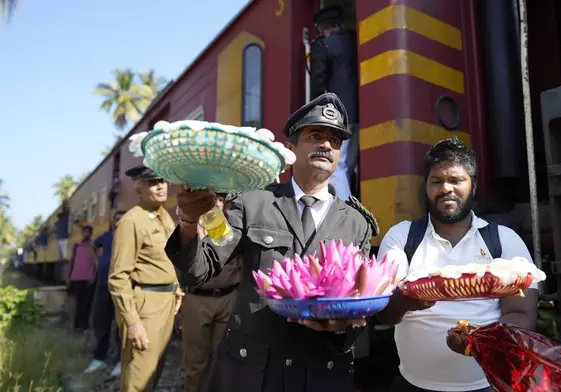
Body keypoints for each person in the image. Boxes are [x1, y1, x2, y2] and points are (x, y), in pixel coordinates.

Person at [165, 93, 378, 392]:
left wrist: (345, 326)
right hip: (254, 374)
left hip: (322, 373)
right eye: (315, 135)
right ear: (290, 146)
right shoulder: (252, 203)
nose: (326, 145)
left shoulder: (357, 224)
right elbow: (200, 269)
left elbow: (361, 303)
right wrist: (189, 223)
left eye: (335, 141)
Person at [376, 137, 539, 392]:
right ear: (426, 187)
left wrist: (484, 340)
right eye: (436, 181)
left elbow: (522, 311)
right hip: (414, 385)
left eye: (456, 180)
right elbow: (384, 313)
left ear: (473, 186)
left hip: (485, 385)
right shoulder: (402, 237)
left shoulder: (504, 240)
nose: (446, 189)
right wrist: (407, 300)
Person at [108, 165, 184, 392]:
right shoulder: (132, 222)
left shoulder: (165, 219)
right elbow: (118, 278)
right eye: (152, 182)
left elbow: (168, 259)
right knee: (138, 380)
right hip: (145, 306)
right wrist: (132, 322)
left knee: (154, 373)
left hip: (165, 303)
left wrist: (177, 287)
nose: (160, 186)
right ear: (138, 187)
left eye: (162, 180)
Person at [180, 192, 242, 392]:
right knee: (195, 364)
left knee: (221, 360)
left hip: (227, 298)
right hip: (198, 299)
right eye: (214, 197)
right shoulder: (190, 221)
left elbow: (232, 256)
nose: (217, 202)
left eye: (222, 199)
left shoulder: (226, 224)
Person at [310, 4, 359, 201]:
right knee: (350, 163)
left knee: (338, 163)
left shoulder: (323, 46)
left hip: (338, 113)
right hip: (359, 113)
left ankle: (347, 208)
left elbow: (318, 82)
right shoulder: (354, 42)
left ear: (323, 28)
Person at [83, 210, 126, 377]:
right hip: (103, 284)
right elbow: (93, 246)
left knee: (121, 323)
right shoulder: (107, 236)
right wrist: (97, 261)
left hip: (122, 286)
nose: (119, 221)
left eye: (122, 219)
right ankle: (99, 358)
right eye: (117, 219)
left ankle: (119, 361)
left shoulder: (132, 236)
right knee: (101, 320)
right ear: (113, 221)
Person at [67, 224, 98, 332]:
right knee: (77, 302)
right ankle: (76, 325)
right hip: (76, 278)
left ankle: (84, 325)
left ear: (91, 234)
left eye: (88, 232)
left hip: (88, 278)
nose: (86, 234)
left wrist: (94, 276)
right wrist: (69, 276)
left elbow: (96, 262)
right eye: (84, 232)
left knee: (87, 303)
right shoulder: (76, 246)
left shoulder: (93, 246)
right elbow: (72, 261)